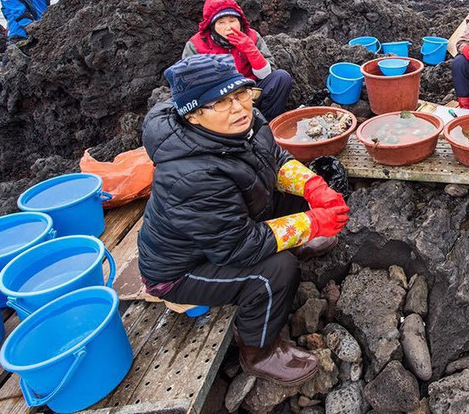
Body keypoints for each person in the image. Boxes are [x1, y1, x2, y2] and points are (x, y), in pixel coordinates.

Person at [138, 54, 349, 385]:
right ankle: (258, 351)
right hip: (183, 269)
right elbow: (240, 248)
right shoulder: (191, 174)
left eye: (240, 94)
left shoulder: (243, 122)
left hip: (225, 234)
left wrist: (314, 187)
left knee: (294, 196)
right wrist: (313, 223)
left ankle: (295, 245)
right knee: (277, 272)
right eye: (220, 102)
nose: (238, 108)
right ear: (192, 114)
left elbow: (275, 158)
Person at [184, 0, 293, 121]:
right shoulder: (196, 45)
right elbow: (189, 83)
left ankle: (265, 124)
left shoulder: (252, 36)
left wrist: (250, 49)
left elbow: (267, 73)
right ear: (212, 25)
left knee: (281, 77)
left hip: (250, 91)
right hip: (218, 100)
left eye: (232, 20)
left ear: (240, 21)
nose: (228, 27)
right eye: (221, 22)